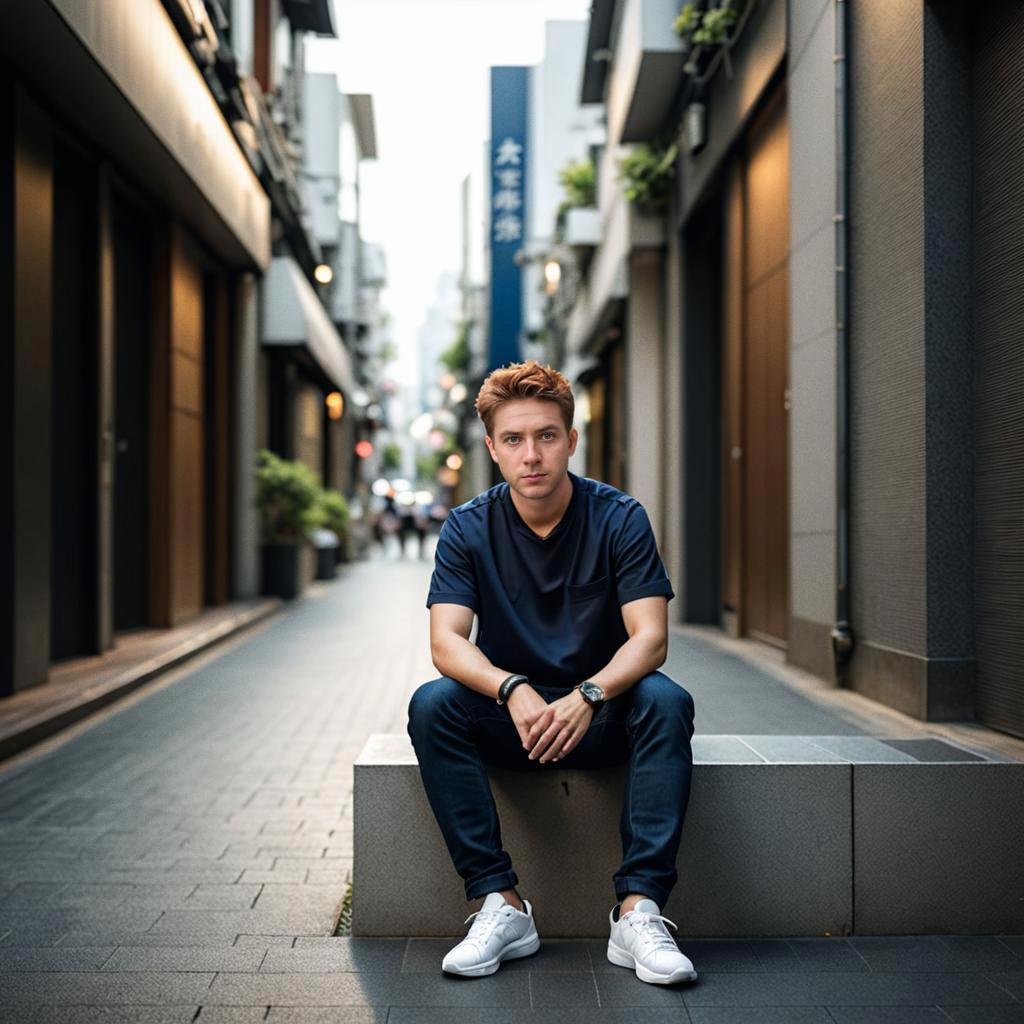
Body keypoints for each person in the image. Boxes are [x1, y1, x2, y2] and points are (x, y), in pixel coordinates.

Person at [407, 361, 697, 985]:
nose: (531, 454)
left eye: (546, 436)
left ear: (571, 439)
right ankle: (500, 904)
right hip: (514, 722)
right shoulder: (467, 527)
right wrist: (510, 688)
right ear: (491, 448)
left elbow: (651, 639)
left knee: (667, 701)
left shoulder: (620, 517)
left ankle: (638, 910)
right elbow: (446, 643)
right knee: (433, 704)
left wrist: (589, 694)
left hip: (601, 717)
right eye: (513, 440)